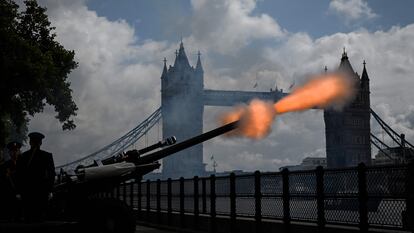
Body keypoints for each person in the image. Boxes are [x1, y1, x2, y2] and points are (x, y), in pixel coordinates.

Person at [16, 132, 56, 222]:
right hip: (42, 191)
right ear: (40, 143)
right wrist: (50, 190)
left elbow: (18, 176)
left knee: (28, 217)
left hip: (27, 192)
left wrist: (19, 191)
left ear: (30, 142)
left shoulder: (22, 157)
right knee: (40, 218)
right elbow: (51, 174)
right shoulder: (47, 156)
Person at [0, 141, 22, 221]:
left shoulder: (24, 164)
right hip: (9, 196)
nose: (14, 153)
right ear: (9, 152)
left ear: (19, 151)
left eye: (16, 150)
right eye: (12, 151)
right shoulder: (4, 166)